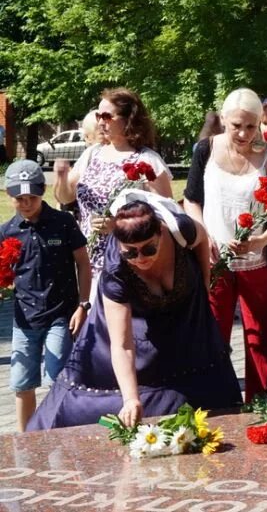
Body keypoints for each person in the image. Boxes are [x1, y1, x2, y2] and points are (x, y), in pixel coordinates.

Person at [27, 196, 242, 430]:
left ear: (161, 232)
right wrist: (130, 399)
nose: (140, 259)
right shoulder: (116, 272)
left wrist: (202, 286)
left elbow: (202, 239)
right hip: (134, 320)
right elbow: (122, 344)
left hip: (183, 310)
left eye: (149, 249)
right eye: (131, 252)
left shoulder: (180, 230)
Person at [183, 88, 267, 403]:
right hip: (214, 262)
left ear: (260, 123)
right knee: (212, 335)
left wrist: (260, 240)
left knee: (264, 337)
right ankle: (215, 404)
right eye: (236, 126)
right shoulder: (205, 150)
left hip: (259, 261)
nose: (244, 134)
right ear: (223, 121)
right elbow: (191, 201)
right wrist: (204, 235)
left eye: (251, 126)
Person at [52, 89, 173, 301]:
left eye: (107, 116)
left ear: (129, 120)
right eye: (98, 116)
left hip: (129, 263)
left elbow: (167, 219)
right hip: (89, 263)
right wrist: (62, 177)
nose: (100, 122)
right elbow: (65, 198)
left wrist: (118, 227)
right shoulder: (92, 154)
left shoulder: (147, 160)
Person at [2, 160, 91, 431]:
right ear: (10, 196)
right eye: (20, 198)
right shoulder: (7, 231)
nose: (26, 203)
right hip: (25, 319)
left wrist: (83, 304)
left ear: (42, 193)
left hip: (60, 315)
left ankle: (59, 432)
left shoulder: (63, 223)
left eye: (32, 197)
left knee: (58, 376)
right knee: (22, 381)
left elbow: (83, 264)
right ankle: (26, 437)